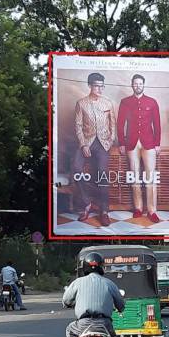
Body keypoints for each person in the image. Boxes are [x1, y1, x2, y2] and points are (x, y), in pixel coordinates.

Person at [62, 252, 125, 337]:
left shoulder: (78, 282)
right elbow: (121, 305)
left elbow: (66, 300)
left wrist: (67, 304)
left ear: (85, 266)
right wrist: (119, 308)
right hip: (104, 324)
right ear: (102, 267)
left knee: (70, 330)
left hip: (83, 324)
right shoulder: (110, 284)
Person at [72, 72, 116, 227]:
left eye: (102, 86)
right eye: (96, 85)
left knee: (102, 175)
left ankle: (104, 211)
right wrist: (83, 144)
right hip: (87, 141)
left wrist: (110, 141)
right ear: (89, 85)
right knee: (76, 170)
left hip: (103, 143)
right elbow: (77, 126)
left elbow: (113, 125)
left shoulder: (108, 103)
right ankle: (86, 204)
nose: (100, 88)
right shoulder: (81, 103)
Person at [117, 74, 162, 223]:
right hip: (131, 144)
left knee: (151, 177)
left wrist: (157, 143)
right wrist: (122, 143)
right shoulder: (125, 102)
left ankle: (152, 210)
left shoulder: (152, 102)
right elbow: (120, 124)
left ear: (144, 85)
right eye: (135, 84)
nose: (138, 86)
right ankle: (138, 208)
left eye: (140, 83)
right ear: (132, 85)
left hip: (148, 143)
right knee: (134, 176)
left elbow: (157, 124)